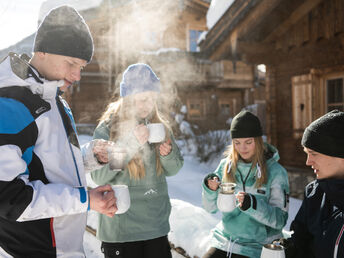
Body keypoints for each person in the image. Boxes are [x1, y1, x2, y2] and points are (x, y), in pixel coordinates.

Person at [0, 5, 117, 257]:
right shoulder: (10, 103)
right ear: (41, 50)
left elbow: (46, 166)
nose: (77, 75)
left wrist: (90, 157)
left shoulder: (53, 98)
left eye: (82, 67)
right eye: (71, 63)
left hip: (65, 249)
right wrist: (85, 199)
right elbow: (9, 199)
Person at [90, 63, 184, 258]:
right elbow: (99, 175)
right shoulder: (108, 128)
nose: (147, 106)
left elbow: (174, 169)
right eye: (141, 100)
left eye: (151, 100)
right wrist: (130, 144)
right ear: (127, 98)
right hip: (121, 229)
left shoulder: (159, 126)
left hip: (155, 226)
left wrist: (167, 154)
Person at [202, 110, 290, 258]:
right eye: (237, 143)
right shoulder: (226, 166)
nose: (242, 148)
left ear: (258, 140)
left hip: (259, 247)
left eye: (248, 142)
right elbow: (210, 209)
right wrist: (210, 190)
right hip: (227, 241)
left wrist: (252, 205)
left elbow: (280, 220)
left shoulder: (276, 172)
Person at [280, 110, 344, 257]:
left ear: (340, 154)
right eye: (306, 153)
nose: (308, 162)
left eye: (313, 153)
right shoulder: (315, 192)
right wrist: (288, 250)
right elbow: (301, 240)